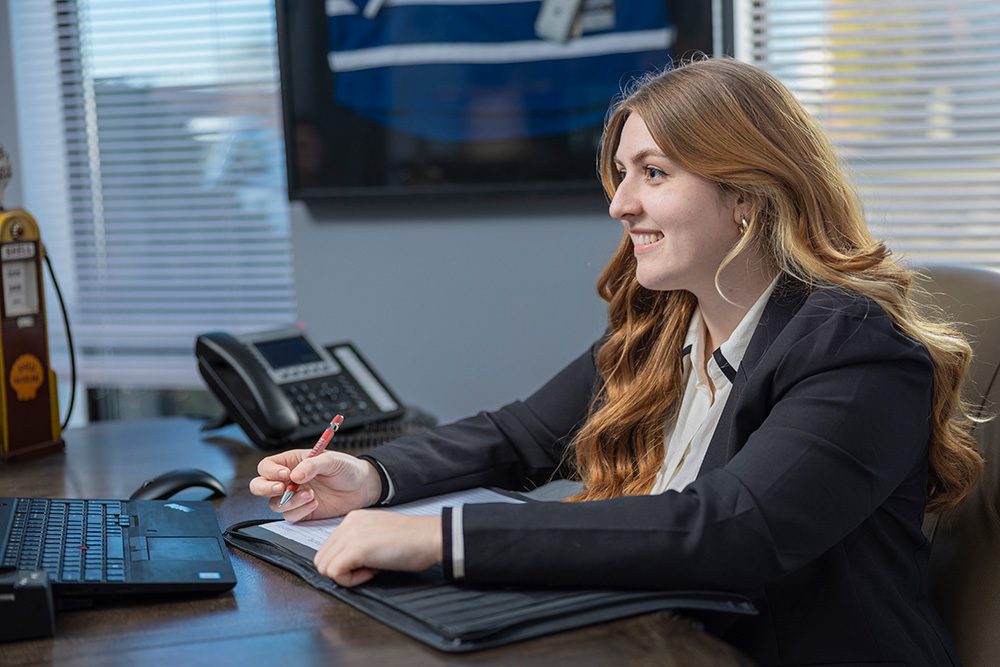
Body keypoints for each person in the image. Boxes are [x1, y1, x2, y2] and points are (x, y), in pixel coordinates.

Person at [250, 58, 982, 665]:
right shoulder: (664, 327)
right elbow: (518, 437)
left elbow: (731, 530)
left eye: (654, 173)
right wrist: (373, 476)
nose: (620, 204)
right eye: (622, 173)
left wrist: (443, 537)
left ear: (748, 198)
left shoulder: (855, 346)